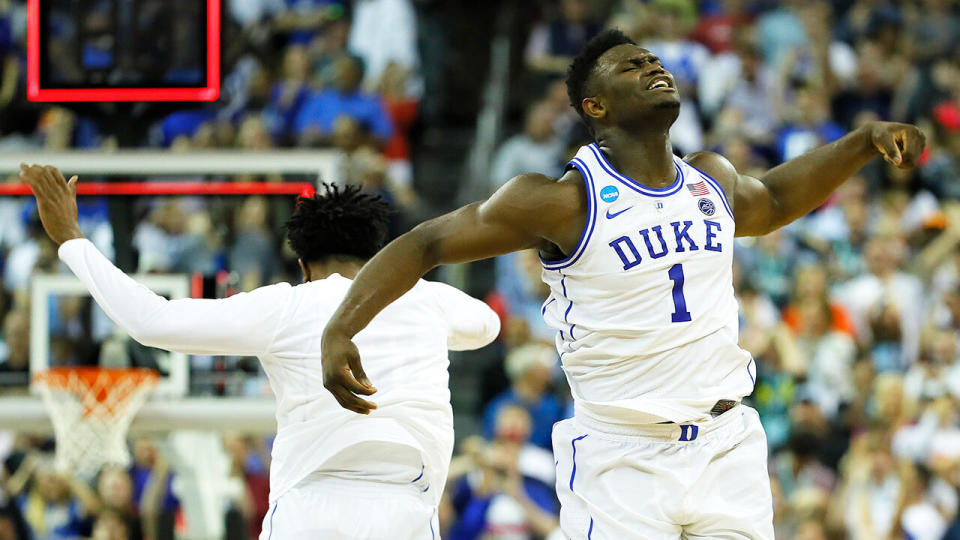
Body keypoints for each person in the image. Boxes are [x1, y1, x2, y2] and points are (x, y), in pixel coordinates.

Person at [320, 29, 926, 539]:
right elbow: (425, 243)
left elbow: (775, 199)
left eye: (654, 61)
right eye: (631, 66)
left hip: (726, 443)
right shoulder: (564, 200)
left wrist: (862, 141)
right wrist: (342, 326)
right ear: (596, 107)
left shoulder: (709, 177)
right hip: (622, 457)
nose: (653, 67)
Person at [18, 164, 501, 539]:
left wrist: (72, 240)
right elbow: (488, 325)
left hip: (308, 508)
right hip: (405, 507)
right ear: (378, 256)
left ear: (303, 264)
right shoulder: (427, 298)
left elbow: (151, 321)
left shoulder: (286, 305)